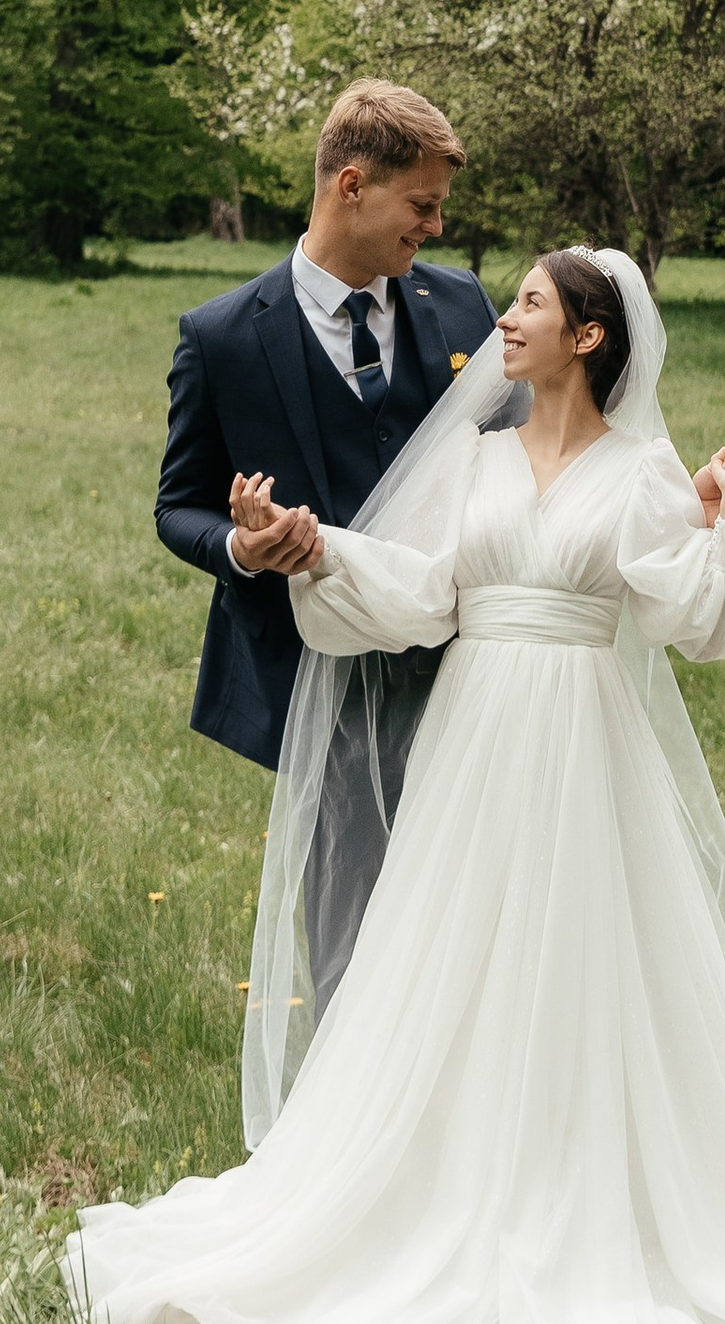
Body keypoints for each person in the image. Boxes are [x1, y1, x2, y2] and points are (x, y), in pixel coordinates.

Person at [73, 245, 725, 1324]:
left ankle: (594, 1188)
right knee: (453, 961)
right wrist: (317, 547)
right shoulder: (468, 461)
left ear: (587, 337)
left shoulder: (639, 471)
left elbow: (691, 619)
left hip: (585, 744)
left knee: (586, 961)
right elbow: (419, 592)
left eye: (529, 303)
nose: (501, 318)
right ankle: (437, 1188)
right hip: (473, 746)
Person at [153, 82, 497, 989]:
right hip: (316, 671)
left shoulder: (462, 306)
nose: (432, 228)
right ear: (352, 185)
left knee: (472, 900)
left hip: (461, 654)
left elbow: (528, 457)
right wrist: (241, 548)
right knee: (349, 907)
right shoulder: (222, 337)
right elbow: (176, 505)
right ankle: (358, 1110)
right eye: (420, 205)